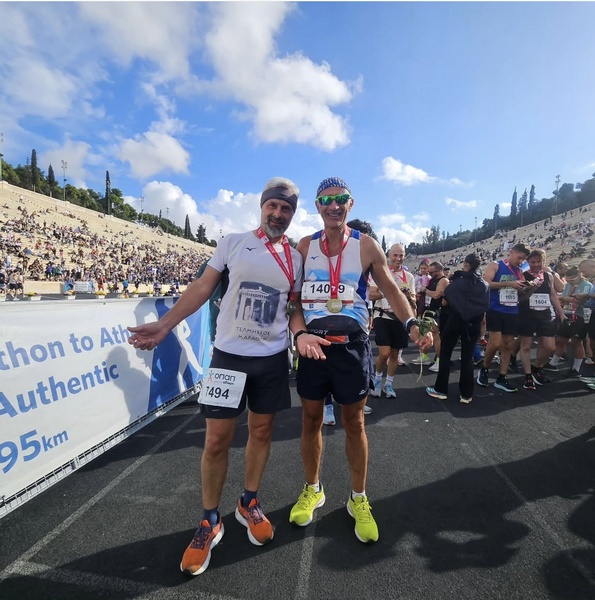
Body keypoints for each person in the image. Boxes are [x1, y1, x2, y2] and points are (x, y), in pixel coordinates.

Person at [127, 178, 329, 576]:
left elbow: (293, 308)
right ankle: (209, 520)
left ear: (292, 214)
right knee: (216, 440)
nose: (278, 214)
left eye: (286, 209)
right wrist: (166, 324)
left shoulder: (295, 258)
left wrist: (300, 333)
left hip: (271, 360)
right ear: (262, 206)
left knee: (261, 433)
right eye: (273, 206)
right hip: (228, 358)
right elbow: (203, 286)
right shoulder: (233, 243)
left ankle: (248, 502)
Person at [288, 177, 432, 544]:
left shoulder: (366, 245)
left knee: (354, 423)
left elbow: (391, 289)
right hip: (314, 348)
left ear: (350, 204)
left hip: (351, 348)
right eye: (326, 200)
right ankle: (312, 489)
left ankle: (358, 498)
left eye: (341, 199)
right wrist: (299, 334)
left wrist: (412, 323)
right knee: (311, 420)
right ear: (317, 206)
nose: (334, 206)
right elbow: (293, 301)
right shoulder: (304, 246)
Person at [426, 253, 488, 403]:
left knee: (445, 355)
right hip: (473, 323)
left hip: (455, 320)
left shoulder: (456, 282)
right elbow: (485, 306)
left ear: (466, 264)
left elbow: (445, 302)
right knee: (467, 358)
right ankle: (466, 394)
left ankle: (441, 390)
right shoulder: (484, 284)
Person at [476, 243, 531, 392]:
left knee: (508, 345)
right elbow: (486, 283)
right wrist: (509, 283)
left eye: (523, 259)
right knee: (495, 343)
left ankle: (502, 377)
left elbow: (521, 293)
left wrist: (529, 288)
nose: (520, 261)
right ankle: (484, 368)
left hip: (512, 311)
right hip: (495, 309)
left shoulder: (519, 271)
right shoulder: (496, 265)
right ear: (511, 252)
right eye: (519, 257)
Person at [369, 243, 416, 398]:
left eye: (401, 255)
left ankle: (388, 384)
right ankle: (377, 379)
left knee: (395, 354)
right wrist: (390, 292)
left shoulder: (409, 277)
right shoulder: (381, 273)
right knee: (385, 353)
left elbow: (414, 301)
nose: (398, 258)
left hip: (400, 318)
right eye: (395, 255)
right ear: (389, 255)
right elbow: (371, 295)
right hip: (382, 315)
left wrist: (407, 296)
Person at [516, 250, 566, 390]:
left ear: (544, 261)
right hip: (527, 313)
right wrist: (530, 288)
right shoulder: (522, 275)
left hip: (545, 314)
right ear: (528, 262)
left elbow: (553, 295)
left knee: (550, 346)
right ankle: (528, 375)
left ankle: (537, 367)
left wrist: (561, 313)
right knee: (526, 346)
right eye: (533, 262)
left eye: (539, 262)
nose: (536, 264)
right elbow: (520, 296)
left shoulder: (548, 276)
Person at [544, 266, 591, 376]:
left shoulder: (586, 285)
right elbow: (566, 298)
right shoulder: (568, 285)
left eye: (571, 279)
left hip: (580, 315)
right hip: (567, 314)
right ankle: (553, 363)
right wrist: (565, 299)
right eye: (568, 279)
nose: (569, 281)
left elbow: (580, 300)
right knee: (560, 340)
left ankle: (576, 368)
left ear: (578, 276)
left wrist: (564, 298)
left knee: (576, 342)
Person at [415, 261, 449, 371]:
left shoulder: (443, 280)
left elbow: (436, 295)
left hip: (437, 311)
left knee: (436, 335)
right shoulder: (433, 279)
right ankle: (424, 356)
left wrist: (425, 290)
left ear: (439, 271)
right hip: (427, 309)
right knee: (424, 332)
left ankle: (439, 361)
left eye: (431, 272)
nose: (429, 274)